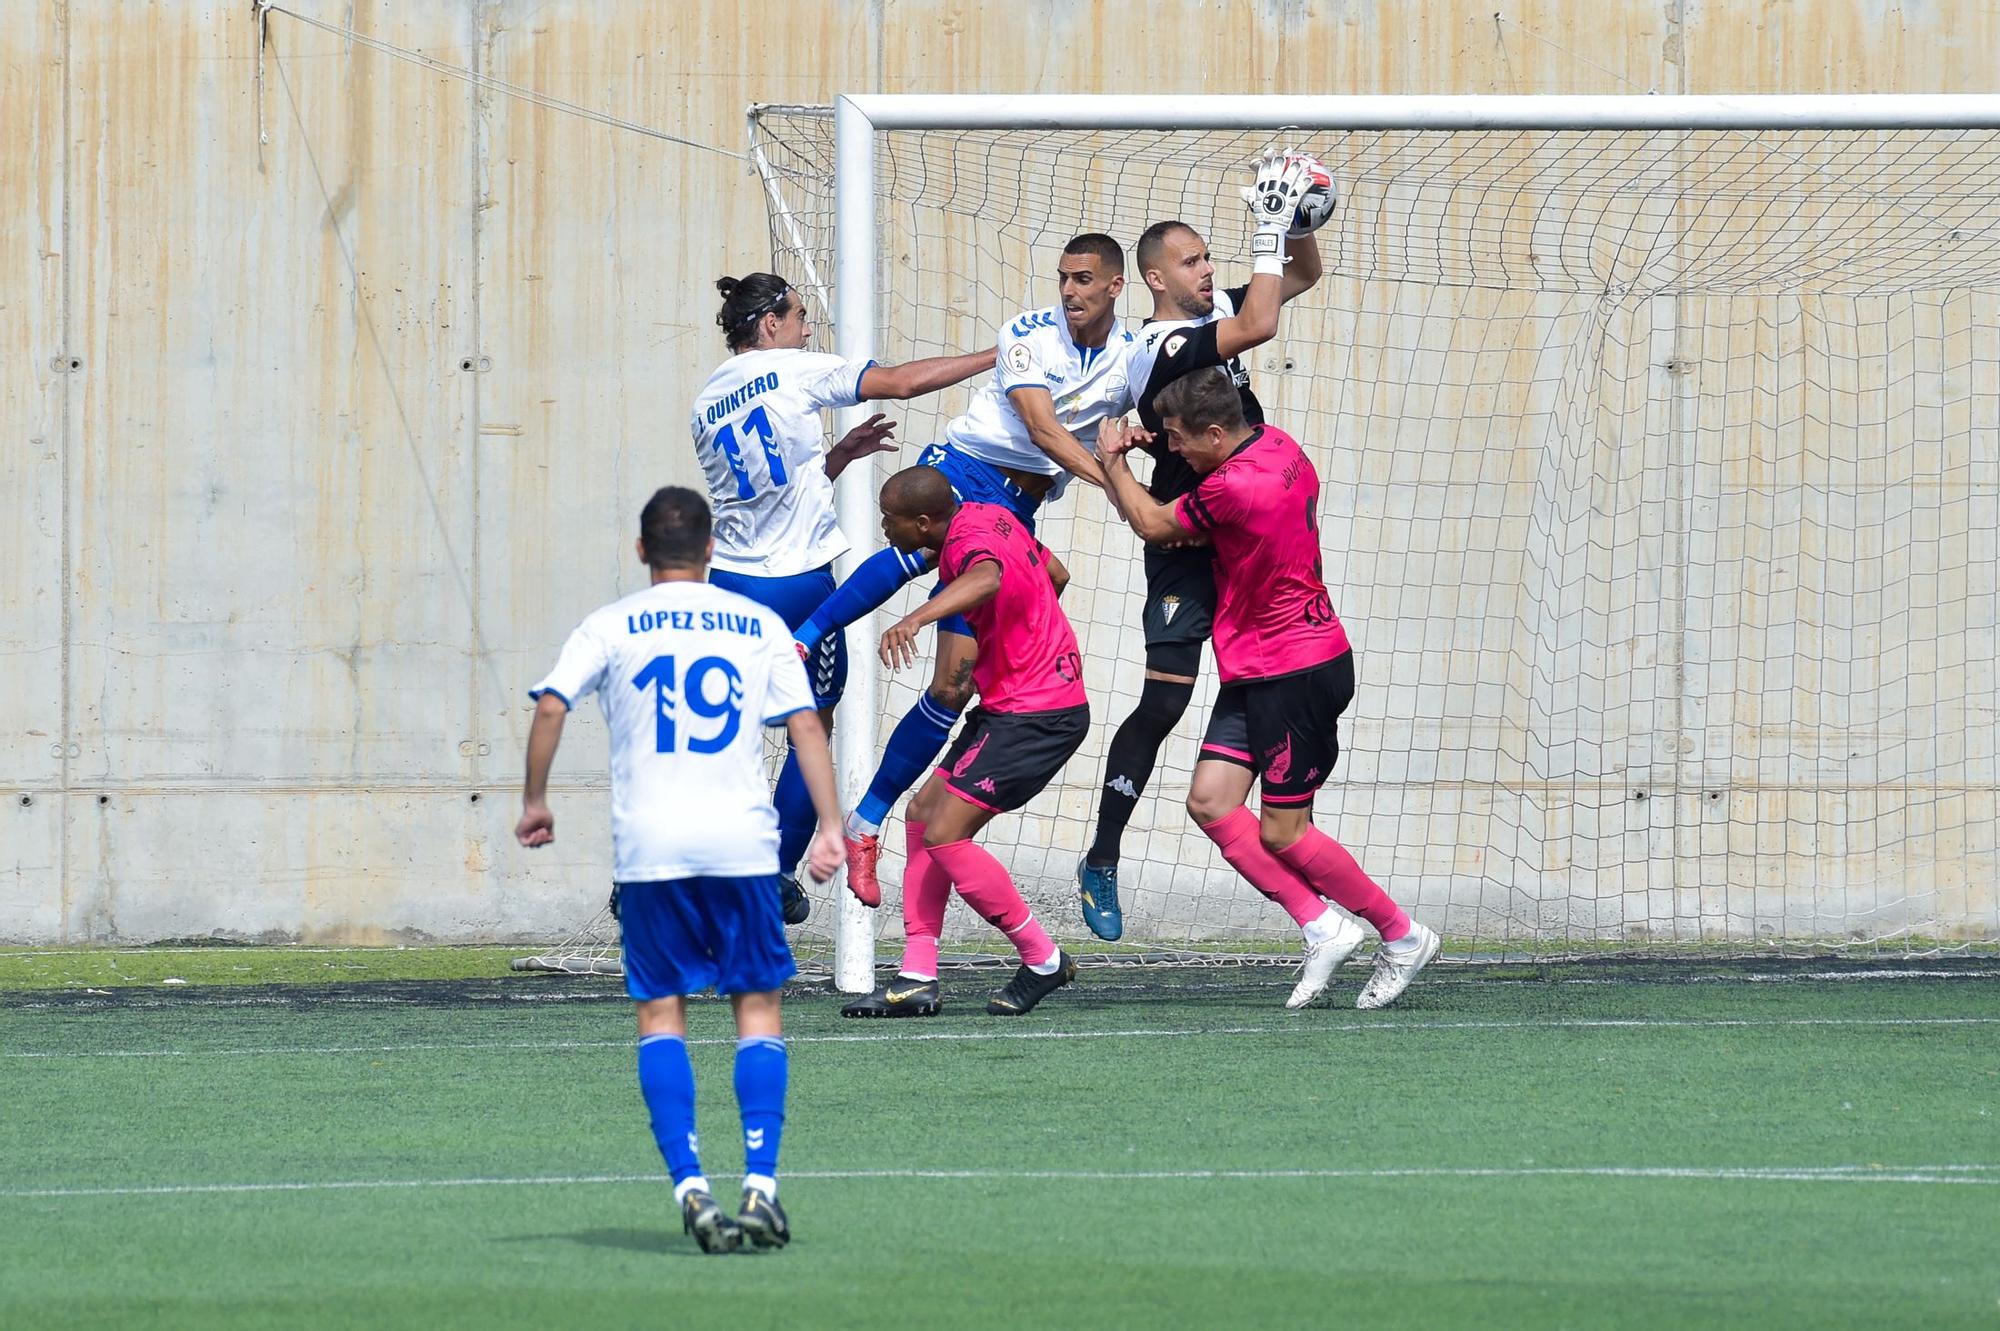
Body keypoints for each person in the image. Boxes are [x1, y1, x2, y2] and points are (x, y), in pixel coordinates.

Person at [516, 486, 844, 1253]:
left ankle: (691, 1186)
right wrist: (828, 825)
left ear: (641, 552)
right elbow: (804, 725)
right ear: (711, 552)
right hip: (741, 847)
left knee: (662, 1014)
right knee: (756, 1010)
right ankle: (761, 1186)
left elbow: (553, 705)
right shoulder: (756, 623)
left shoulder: (611, 624)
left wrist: (535, 799)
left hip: (652, 852)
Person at [789, 235, 1136, 906]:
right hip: (969, 469)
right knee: (917, 554)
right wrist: (1125, 496)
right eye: (1063, 277)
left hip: (1022, 505)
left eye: (1084, 279)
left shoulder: (1130, 357)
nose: (1068, 290)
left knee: (956, 681)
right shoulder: (1028, 334)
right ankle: (807, 633)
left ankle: (865, 825)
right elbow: (1043, 431)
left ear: (1116, 286)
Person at [1097, 370, 1440, 1010]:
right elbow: (1204, 488)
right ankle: (1322, 925)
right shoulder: (1278, 446)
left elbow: (1151, 522)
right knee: (1210, 802)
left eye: (1179, 440)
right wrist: (1155, 442)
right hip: (1258, 666)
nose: (1174, 451)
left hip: (1295, 672)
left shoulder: (1235, 486)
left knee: (1284, 832)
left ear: (1219, 434)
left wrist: (1112, 458)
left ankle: (1402, 934)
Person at [1077, 151, 1329, 941]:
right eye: (1192, 260)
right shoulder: (1163, 349)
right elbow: (1260, 321)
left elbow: (1302, 277)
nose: (1206, 267)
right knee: (1167, 699)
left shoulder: (1207, 313)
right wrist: (1263, 228)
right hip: (1188, 539)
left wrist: (1296, 222)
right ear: (1156, 278)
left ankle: (1294, 851)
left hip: (1246, 528)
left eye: (1208, 256)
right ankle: (1103, 854)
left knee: (1275, 672)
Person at [692, 273, 995, 924]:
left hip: (731, 587)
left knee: (728, 740)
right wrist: (999, 358)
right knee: (810, 734)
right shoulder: (794, 370)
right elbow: (903, 382)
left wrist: (837, 458)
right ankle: (769, 878)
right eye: (799, 316)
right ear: (769, 324)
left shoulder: (707, 399)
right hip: (798, 586)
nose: (807, 329)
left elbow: (765, 494)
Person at [839, 466, 1088, 1018]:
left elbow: (989, 579)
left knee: (947, 835)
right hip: (1013, 705)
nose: (886, 530)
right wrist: (1028, 635)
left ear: (924, 523)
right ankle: (917, 975)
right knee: (924, 813)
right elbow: (1056, 572)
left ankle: (1043, 959)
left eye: (892, 521)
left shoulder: (969, 546)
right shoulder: (994, 516)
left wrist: (916, 618)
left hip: (1040, 714)